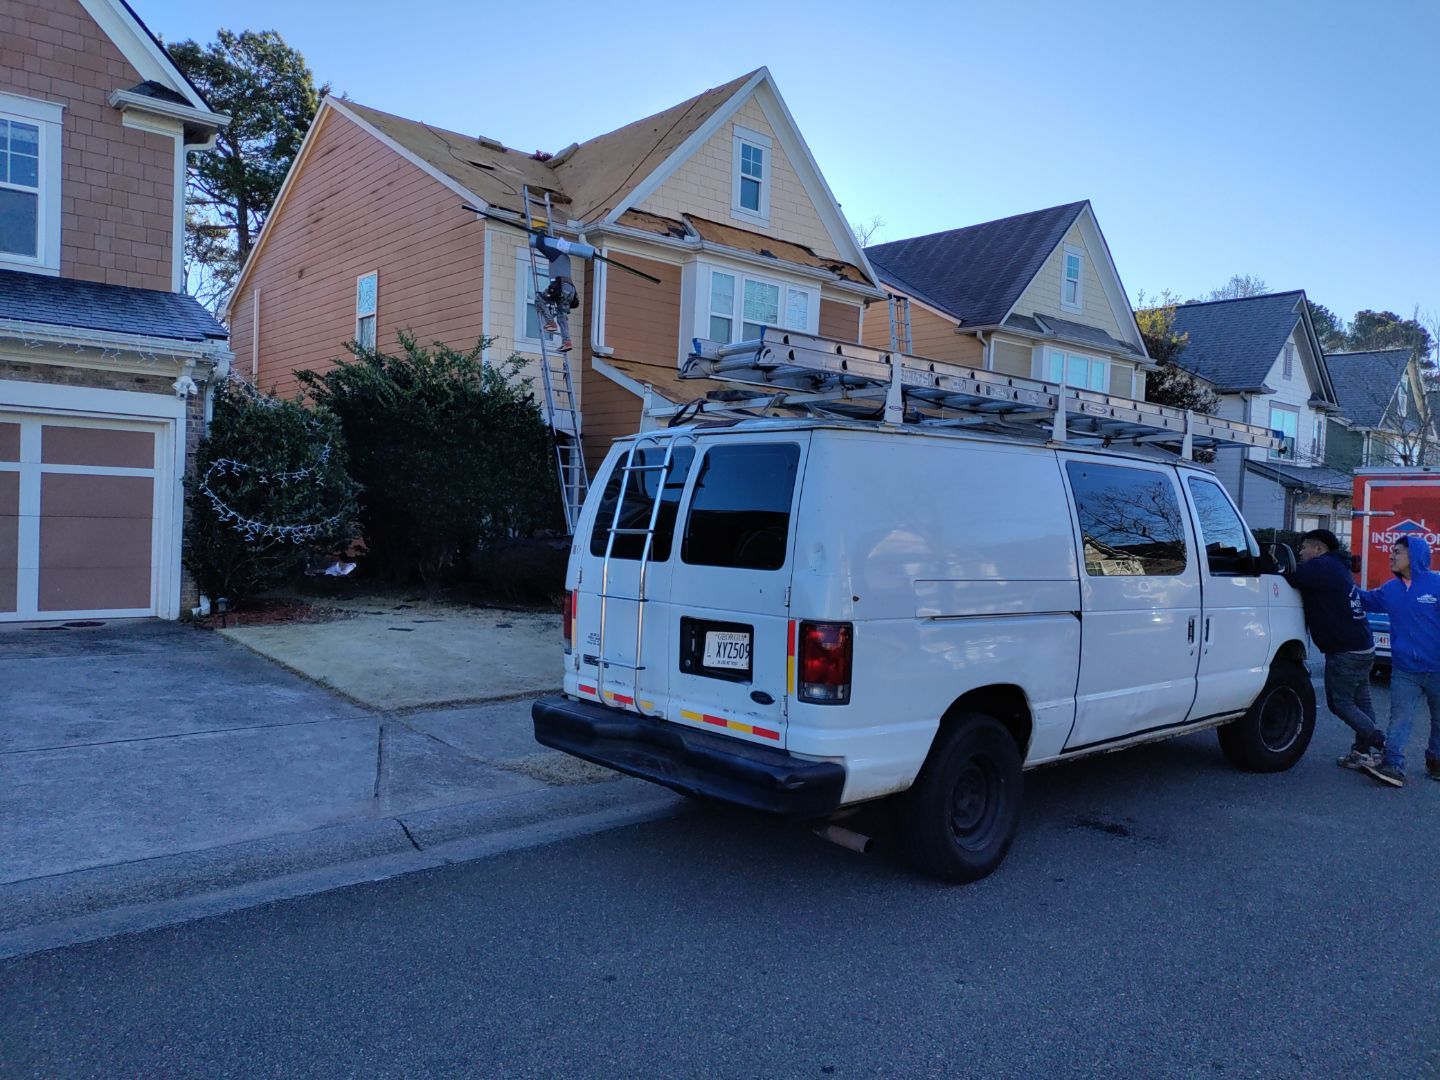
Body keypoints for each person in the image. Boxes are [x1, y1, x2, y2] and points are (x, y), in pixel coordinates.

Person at [1282, 529, 1385, 769]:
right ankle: (1362, 752)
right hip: (1363, 645)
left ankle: (1379, 743)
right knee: (1362, 701)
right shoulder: (1338, 566)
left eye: (1305, 547)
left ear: (1319, 549)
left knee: (1340, 703)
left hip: (1344, 650)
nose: (1301, 551)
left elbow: (1288, 575)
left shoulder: (1321, 566)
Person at [1358, 534, 1440, 787]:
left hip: (1438, 668)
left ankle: (1435, 760)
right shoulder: (1390, 589)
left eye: (1398, 552)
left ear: (1414, 556)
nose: (1391, 555)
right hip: (1405, 669)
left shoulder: (1436, 584)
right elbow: (1363, 599)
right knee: (1399, 718)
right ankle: (1393, 765)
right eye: (1391, 551)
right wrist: (1336, 584)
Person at [530, 232, 579, 354]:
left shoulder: (555, 253)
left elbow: (540, 245)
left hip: (560, 287)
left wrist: (541, 234)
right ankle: (567, 342)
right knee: (562, 316)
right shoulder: (566, 257)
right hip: (571, 291)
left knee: (539, 299)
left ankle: (550, 323)